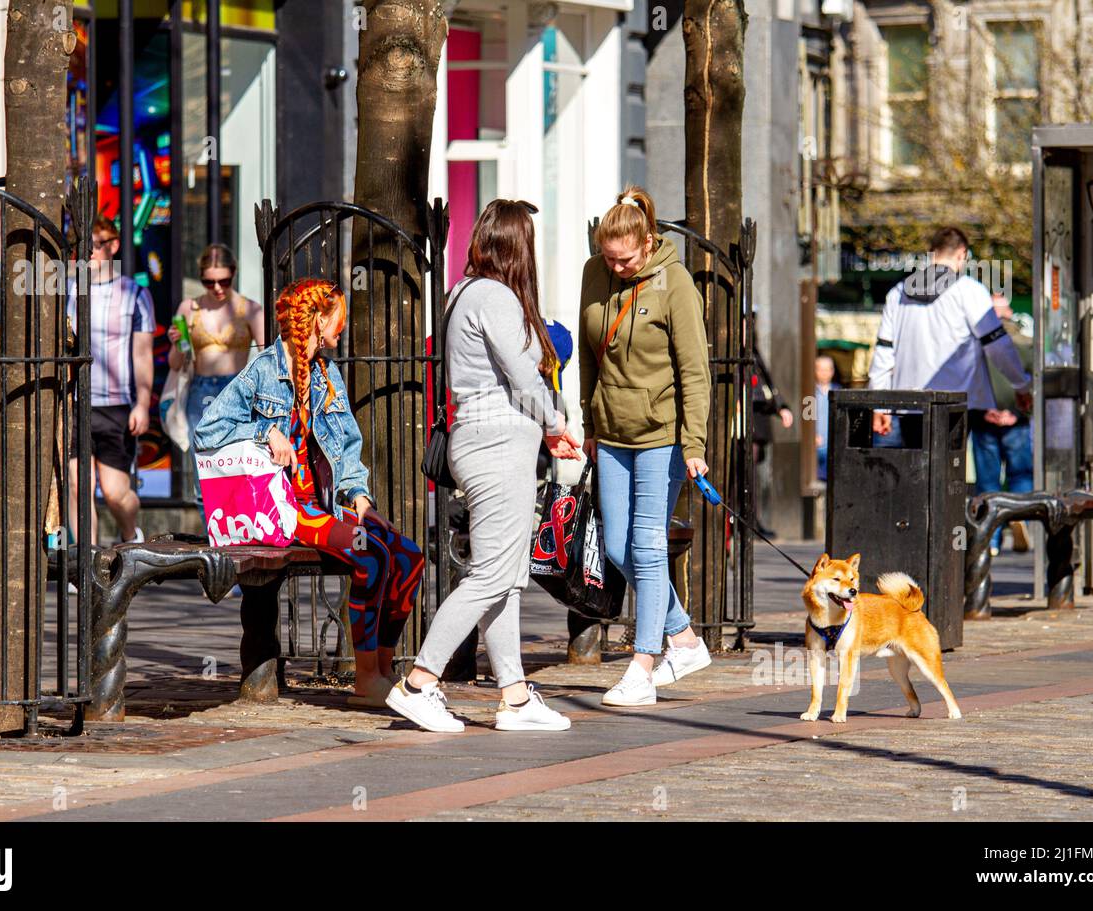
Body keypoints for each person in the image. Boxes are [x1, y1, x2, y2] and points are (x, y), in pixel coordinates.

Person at [386, 199, 582, 734]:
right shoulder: (495, 296)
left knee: (507, 577)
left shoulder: (462, 294)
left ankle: (515, 696)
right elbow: (524, 374)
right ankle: (420, 682)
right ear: (519, 247)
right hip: (498, 447)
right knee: (491, 575)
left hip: (487, 444)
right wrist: (556, 424)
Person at [193, 278, 423, 707]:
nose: (343, 328)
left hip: (327, 505)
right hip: (286, 510)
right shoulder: (264, 370)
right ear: (318, 320)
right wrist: (267, 432)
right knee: (370, 556)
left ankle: (385, 668)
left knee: (408, 557)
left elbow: (347, 446)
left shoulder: (325, 372)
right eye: (338, 318)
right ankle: (366, 678)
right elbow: (207, 432)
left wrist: (360, 499)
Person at [578, 186, 713, 707]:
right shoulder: (595, 272)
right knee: (616, 547)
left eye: (625, 258)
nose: (616, 267)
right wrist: (589, 420)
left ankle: (643, 663)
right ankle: (683, 636)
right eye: (608, 257)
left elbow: (694, 371)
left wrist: (694, 442)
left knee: (649, 547)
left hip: (663, 435)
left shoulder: (675, 282)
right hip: (611, 431)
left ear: (648, 241)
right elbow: (592, 354)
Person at [869, 226, 1031, 446]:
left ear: (932, 252)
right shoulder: (969, 291)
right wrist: (1020, 385)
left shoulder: (898, 293)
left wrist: (879, 404)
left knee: (914, 472)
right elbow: (997, 346)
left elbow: (884, 352)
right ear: (962, 254)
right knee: (947, 474)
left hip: (908, 403)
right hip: (956, 405)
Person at [68, 215, 154, 545]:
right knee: (77, 483)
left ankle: (131, 535)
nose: (88, 253)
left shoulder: (134, 294)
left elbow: (143, 355)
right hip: (78, 403)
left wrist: (143, 404)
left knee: (117, 493)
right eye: (83, 247)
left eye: (95, 246)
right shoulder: (68, 290)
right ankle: (87, 562)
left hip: (118, 406)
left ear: (113, 246)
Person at [166, 244, 265, 521]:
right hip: (201, 392)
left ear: (233, 274)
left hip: (237, 390)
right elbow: (176, 363)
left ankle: (240, 527)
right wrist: (177, 344)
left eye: (223, 281)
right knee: (204, 466)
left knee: (238, 461)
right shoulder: (189, 308)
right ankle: (213, 532)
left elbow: (268, 355)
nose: (218, 288)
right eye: (209, 282)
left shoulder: (250, 309)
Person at [972, 295, 1034, 555]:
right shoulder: (1025, 343)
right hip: (1015, 419)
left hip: (984, 418)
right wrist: (1016, 413)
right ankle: (1020, 517)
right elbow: (1033, 383)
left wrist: (986, 410)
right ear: (1008, 312)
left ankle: (991, 539)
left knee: (988, 482)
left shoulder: (974, 346)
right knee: (1020, 475)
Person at [751, 342, 794, 535]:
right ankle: (743, 521)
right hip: (741, 421)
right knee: (741, 475)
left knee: (751, 474)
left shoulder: (753, 353)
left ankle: (752, 520)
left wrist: (781, 406)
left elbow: (767, 385)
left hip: (756, 421)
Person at [814, 354, 839, 483]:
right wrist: (812, 436)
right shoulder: (810, 394)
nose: (824, 373)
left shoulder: (839, 392)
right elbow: (807, 418)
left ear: (832, 371)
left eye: (827, 369)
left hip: (834, 447)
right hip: (816, 448)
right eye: (820, 369)